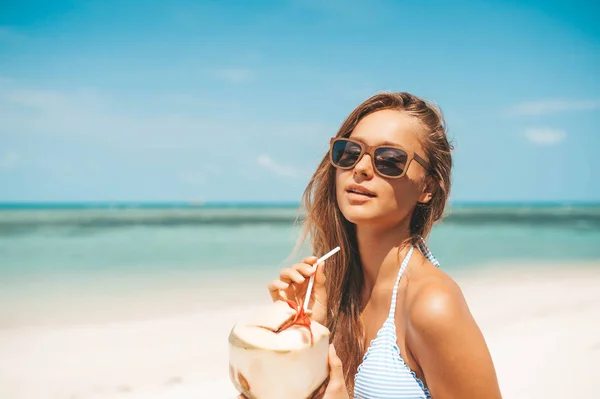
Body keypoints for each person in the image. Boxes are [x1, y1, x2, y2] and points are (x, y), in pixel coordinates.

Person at [244, 92, 502, 398]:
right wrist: (307, 335)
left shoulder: (433, 305)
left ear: (427, 187)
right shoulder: (332, 291)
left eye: (389, 160)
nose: (362, 168)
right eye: (350, 152)